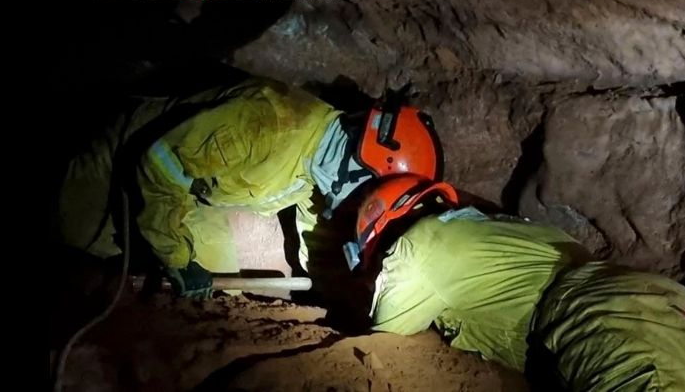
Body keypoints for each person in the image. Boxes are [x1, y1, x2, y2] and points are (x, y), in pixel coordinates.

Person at [56, 75, 444, 298]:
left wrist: (327, 283)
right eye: (374, 191)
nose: (368, 202)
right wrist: (177, 258)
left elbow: (312, 223)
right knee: (74, 229)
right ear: (362, 165)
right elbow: (161, 162)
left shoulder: (323, 164)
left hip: (193, 192)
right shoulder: (267, 124)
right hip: (125, 160)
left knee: (221, 282)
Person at [348, 174, 685, 392]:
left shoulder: (417, 246)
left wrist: (366, 281)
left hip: (596, 313)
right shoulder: (496, 225)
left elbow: (387, 330)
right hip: (667, 301)